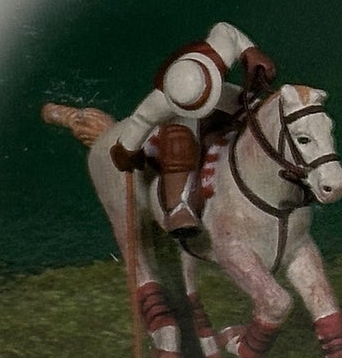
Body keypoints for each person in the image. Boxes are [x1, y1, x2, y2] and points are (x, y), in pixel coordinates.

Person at [108, 21, 277, 231]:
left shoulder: (218, 53)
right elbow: (137, 126)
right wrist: (127, 154)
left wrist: (250, 51)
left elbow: (226, 30)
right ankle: (179, 208)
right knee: (177, 142)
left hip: (220, 94)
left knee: (259, 113)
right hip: (181, 116)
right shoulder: (159, 104)